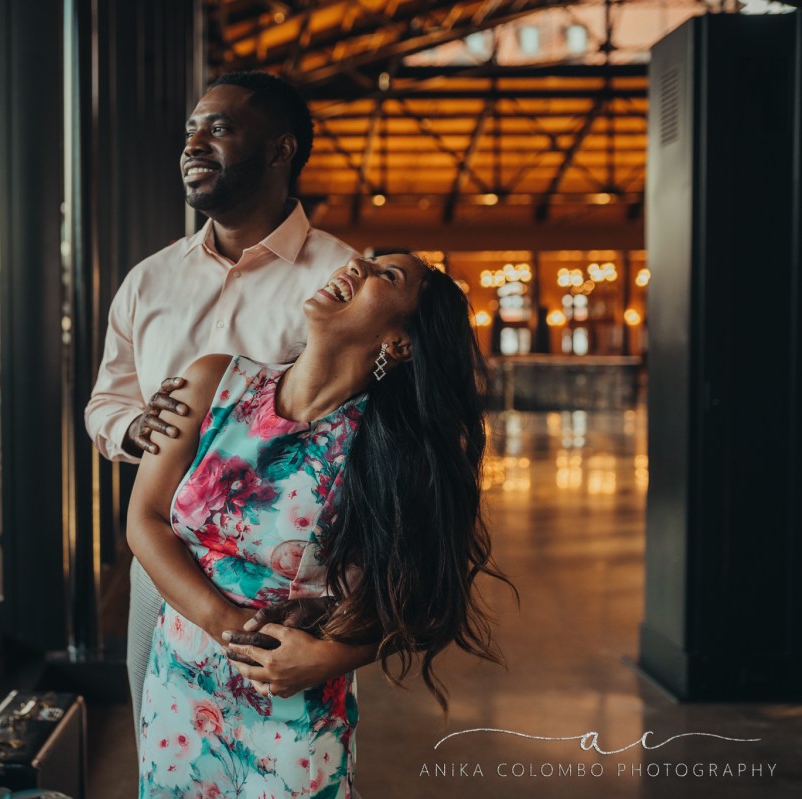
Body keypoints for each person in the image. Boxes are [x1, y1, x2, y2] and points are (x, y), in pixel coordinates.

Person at [127, 251, 515, 797]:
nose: (359, 263)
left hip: (295, 712)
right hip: (178, 690)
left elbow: (427, 603)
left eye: (389, 275)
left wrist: (328, 658)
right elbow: (143, 520)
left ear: (400, 344)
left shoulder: (397, 454)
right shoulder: (212, 381)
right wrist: (222, 620)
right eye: (370, 258)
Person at [83, 70, 371, 735]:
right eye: (190, 127)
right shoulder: (148, 280)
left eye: (218, 126)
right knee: (164, 747)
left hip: (286, 578)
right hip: (161, 558)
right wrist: (136, 429)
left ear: (280, 150)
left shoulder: (341, 282)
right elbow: (107, 401)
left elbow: (362, 432)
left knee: (281, 757)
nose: (193, 142)